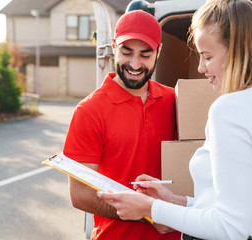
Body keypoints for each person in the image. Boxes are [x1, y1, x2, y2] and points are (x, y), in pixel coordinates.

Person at [97, 0, 252, 240]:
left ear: (236, 52)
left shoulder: (229, 109)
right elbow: (238, 209)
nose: (202, 68)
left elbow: (229, 228)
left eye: (207, 56)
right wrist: (175, 201)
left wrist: (149, 208)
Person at [63, 10, 180, 240]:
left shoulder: (173, 101)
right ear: (114, 46)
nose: (135, 64)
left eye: (145, 55)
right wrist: (147, 214)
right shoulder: (89, 110)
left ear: (159, 51)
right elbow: (79, 195)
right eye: (127, 53)